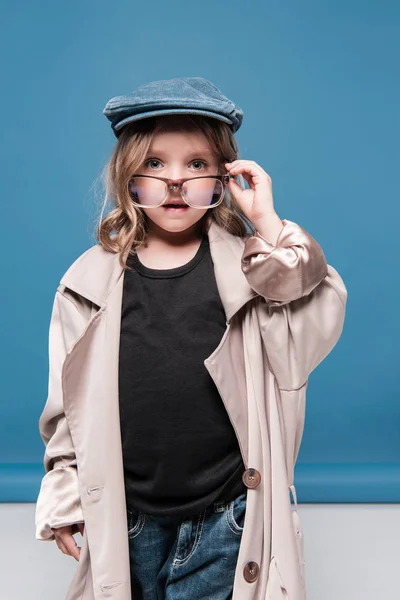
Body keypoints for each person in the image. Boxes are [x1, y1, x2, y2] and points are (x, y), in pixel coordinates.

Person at [35, 77, 347, 600]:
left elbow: (316, 313)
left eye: (197, 164)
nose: (176, 181)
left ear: (226, 177)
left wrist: (267, 223)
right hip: (124, 516)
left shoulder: (252, 271)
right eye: (155, 164)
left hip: (226, 517)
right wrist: (65, 495)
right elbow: (68, 409)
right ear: (126, 175)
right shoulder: (86, 284)